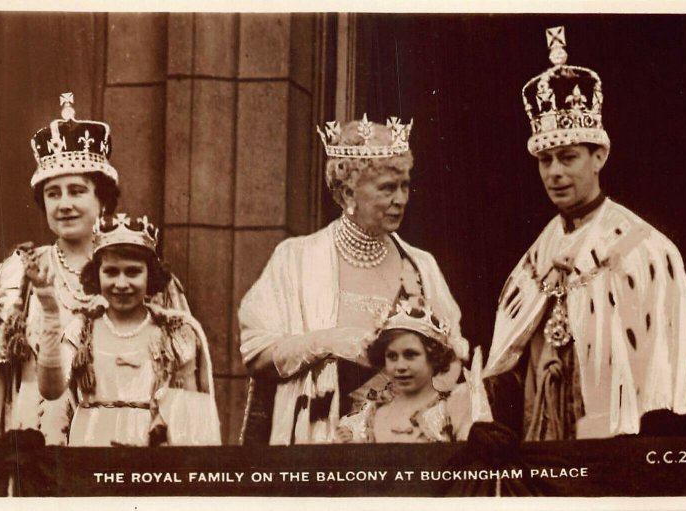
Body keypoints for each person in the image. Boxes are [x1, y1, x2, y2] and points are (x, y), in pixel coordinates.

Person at [480, 26, 686, 441]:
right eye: (545, 160)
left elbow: (674, 371)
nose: (554, 172)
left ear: (599, 156)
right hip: (545, 437)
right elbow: (508, 363)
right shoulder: (536, 254)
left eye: (568, 158)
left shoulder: (648, 250)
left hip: (620, 442)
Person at [0, 93, 187, 447]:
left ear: (102, 199)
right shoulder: (19, 273)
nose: (65, 204)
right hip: (32, 433)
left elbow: (180, 373)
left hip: (122, 432)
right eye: (53, 194)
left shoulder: (141, 271)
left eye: (77, 191)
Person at [238, 114, 474, 445]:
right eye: (388, 188)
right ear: (349, 191)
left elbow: (451, 360)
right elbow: (258, 356)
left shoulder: (421, 266)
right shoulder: (296, 258)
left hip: (405, 442)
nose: (401, 199)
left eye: (405, 185)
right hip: (318, 437)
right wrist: (328, 341)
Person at [32, 213, 221, 446]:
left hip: (151, 462)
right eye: (111, 272)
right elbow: (51, 391)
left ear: (150, 274)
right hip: (89, 455)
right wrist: (50, 312)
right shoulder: (81, 330)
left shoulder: (175, 331)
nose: (121, 284)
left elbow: (193, 416)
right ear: (97, 274)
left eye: (132, 272)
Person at [335, 297, 472, 443]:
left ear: (434, 357)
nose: (400, 366)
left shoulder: (450, 411)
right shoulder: (370, 416)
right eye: (392, 356)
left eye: (410, 355)